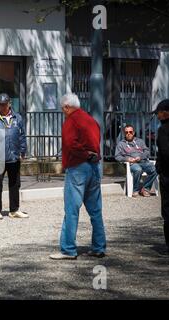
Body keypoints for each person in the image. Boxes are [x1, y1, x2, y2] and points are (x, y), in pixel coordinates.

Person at [50, 93, 106, 260]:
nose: (63, 112)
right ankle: (99, 247)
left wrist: (84, 155)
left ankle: (68, 249)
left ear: (67, 107)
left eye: (62, 109)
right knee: (96, 211)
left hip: (77, 167)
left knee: (71, 210)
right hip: (94, 167)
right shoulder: (91, 120)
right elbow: (97, 140)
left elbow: (70, 144)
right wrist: (92, 155)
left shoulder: (71, 121)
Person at [0, 93, 28, 220]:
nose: (2, 107)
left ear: (9, 104)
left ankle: (14, 210)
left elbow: (22, 136)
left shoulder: (17, 118)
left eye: (4, 104)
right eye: (0, 104)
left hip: (14, 155)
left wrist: (23, 151)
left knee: (15, 184)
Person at [154, 99, 169, 256]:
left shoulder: (164, 129)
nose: (157, 116)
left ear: (165, 112)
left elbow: (167, 153)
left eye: (158, 113)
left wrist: (162, 169)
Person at [115, 124, 158, 197]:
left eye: (130, 132)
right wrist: (127, 159)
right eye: (126, 132)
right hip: (132, 164)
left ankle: (146, 189)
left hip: (143, 161)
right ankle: (135, 190)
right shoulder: (121, 144)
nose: (128, 134)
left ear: (133, 133)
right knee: (138, 169)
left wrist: (140, 157)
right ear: (124, 133)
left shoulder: (140, 141)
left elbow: (147, 151)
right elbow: (117, 156)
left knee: (156, 169)